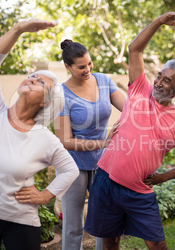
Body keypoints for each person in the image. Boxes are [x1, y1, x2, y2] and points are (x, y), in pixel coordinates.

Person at [0, 19, 79, 250]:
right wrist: (18, 29)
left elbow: (70, 169)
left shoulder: (44, 138)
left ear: (45, 102)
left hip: (18, 222)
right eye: (32, 75)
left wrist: (45, 196)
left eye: (41, 82)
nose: (32, 79)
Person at [84, 12, 175, 250]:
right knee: (110, 240)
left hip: (139, 190)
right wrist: (158, 22)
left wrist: (161, 177)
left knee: (157, 244)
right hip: (106, 178)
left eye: (167, 81)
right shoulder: (140, 89)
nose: (158, 82)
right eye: (159, 76)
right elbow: (134, 50)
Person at [54, 39, 126, 250]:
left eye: (89, 63)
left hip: (103, 162)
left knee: (104, 220)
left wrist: (164, 106)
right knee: (73, 224)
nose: (88, 70)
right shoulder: (61, 95)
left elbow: (130, 109)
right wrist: (104, 142)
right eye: (81, 67)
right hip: (72, 164)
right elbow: (65, 141)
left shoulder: (103, 81)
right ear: (67, 67)